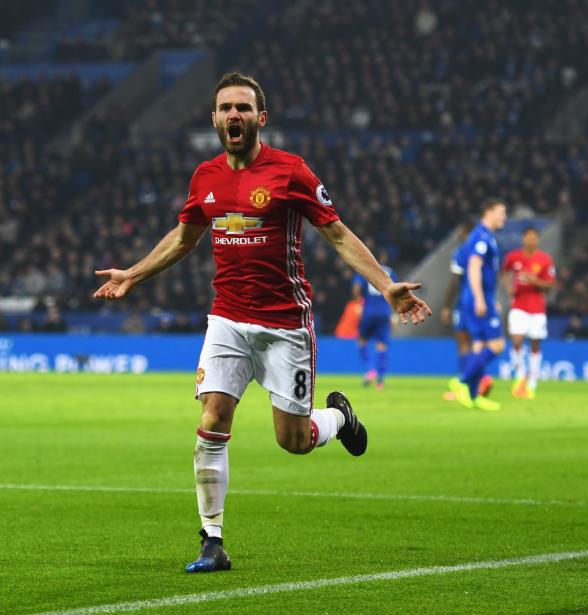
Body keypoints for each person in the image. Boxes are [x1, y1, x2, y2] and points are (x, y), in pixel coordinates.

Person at [92, 72, 432, 573]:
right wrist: (134, 275)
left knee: (292, 441)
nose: (234, 115)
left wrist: (385, 284)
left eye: (243, 108)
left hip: (284, 324)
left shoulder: (290, 172)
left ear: (260, 118)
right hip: (227, 318)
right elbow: (183, 238)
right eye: (226, 108)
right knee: (212, 420)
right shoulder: (205, 177)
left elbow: (337, 236)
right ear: (213, 118)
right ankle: (212, 541)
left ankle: (338, 418)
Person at [448, 198, 507, 411]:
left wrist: (489, 299)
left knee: (480, 346)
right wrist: (481, 298)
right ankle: (462, 380)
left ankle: (474, 396)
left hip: (477, 297)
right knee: (497, 345)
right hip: (476, 298)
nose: (504, 217)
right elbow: (474, 267)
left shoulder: (482, 236)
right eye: (501, 212)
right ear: (488, 212)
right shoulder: (481, 236)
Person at [441, 217, 492, 400]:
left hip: (465, 303)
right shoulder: (485, 249)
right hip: (483, 301)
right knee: (478, 343)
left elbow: (455, 280)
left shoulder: (462, 251)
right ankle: (477, 384)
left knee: (465, 345)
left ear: (465, 233)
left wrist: (447, 306)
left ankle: (467, 384)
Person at [502, 226, 555, 399]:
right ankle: (520, 375)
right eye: (528, 237)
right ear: (523, 239)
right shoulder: (513, 257)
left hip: (537, 307)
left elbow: (550, 283)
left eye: (534, 237)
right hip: (518, 304)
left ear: (537, 240)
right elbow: (505, 271)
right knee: (516, 339)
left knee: (535, 344)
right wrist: (509, 287)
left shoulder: (545, 259)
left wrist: (535, 281)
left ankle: (532, 380)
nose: (531, 240)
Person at [352, 250, 397, 389]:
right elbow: (397, 292)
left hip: (369, 311)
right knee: (382, 345)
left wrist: (358, 302)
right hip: (384, 312)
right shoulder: (390, 272)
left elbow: (356, 288)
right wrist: (395, 315)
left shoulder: (365, 269)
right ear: (384, 258)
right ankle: (381, 380)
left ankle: (369, 369)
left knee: (362, 341)